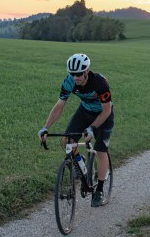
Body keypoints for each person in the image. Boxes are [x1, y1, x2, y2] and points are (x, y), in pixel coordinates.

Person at [39, 53, 114, 207]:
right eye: (72, 74)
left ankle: (99, 189)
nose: (76, 77)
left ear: (86, 71)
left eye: (79, 74)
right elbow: (60, 105)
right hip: (84, 112)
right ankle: (79, 163)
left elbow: (106, 110)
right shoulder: (69, 82)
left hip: (103, 115)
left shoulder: (100, 82)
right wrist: (46, 127)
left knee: (100, 150)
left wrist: (93, 128)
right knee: (67, 140)